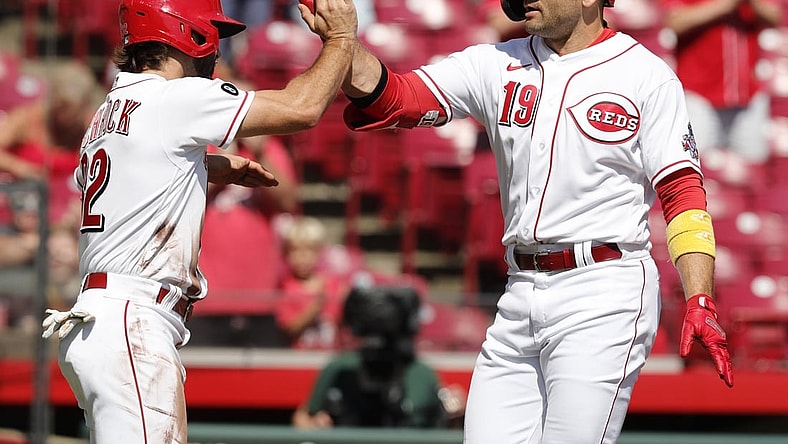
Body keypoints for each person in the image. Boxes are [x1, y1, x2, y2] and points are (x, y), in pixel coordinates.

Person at [338, 0, 735, 441]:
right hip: (519, 291)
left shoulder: (646, 75)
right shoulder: (496, 61)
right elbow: (395, 98)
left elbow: (682, 192)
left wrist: (700, 297)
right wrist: (341, 42)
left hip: (602, 292)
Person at [39, 0, 358, 443]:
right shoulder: (174, 96)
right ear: (187, 32)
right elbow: (300, 109)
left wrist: (204, 168)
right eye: (213, 35)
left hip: (97, 321)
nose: (217, 53)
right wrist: (341, 39)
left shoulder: (108, 110)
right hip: (134, 320)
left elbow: (132, 179)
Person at [291, 284, 450, 429]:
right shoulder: (340, 368)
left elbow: (442, 424)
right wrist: (315, 424)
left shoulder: (420, 373)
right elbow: (303, 417)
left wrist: (454, 414)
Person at [662, 0, 783, 163]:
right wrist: (725, 5)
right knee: (694, 168)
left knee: (751, 171)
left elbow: (775, 17)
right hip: (699, 95)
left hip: (747, 96)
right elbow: (674, 22)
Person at [274, 215, 349, 349]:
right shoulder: (285, 288)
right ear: (286, 253)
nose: (302, 257)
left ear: (319, 252)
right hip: (300, 362)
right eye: (296, 251)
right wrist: (315, 308)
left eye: (309, 250)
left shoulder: (334, 285)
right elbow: (289, 328)